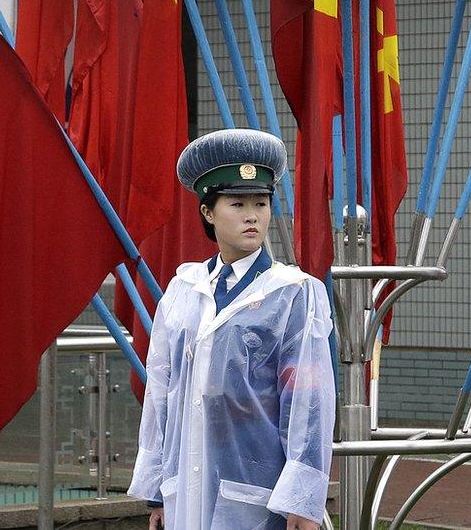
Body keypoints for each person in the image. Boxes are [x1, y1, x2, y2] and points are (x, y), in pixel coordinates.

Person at [127, 129, 335, 530]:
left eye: (261, 203)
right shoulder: (184, 291)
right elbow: (161, 392)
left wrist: (302, 502)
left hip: (258, 492)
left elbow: (309, 405)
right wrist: (157, 492)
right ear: (208, 212)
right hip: (184, 485)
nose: (252, 215)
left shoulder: (292, 293)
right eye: (237, 203)